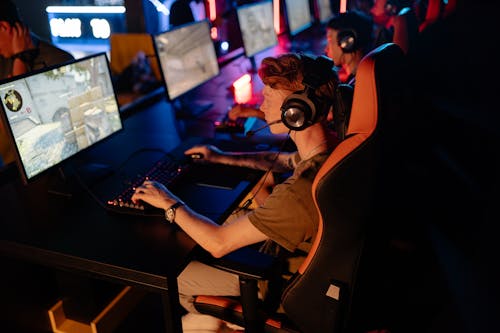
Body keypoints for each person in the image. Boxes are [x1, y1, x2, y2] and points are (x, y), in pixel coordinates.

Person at [132, 53, 340, 332]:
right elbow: (279, 161)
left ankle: (226, 320)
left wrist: (168, 201)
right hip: (288, 257)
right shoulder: (331, 151)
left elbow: (219, 243)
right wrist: (219, 157)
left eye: (269, 96)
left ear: (296, 111)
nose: (261, 104)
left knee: (171, 272)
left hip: (275, 278)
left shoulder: (303, 189)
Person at [0, 0, 74, 166]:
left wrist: (20, 59)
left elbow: (17, 127)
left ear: (3, 28)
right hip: (13, 170)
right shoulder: (3, 60)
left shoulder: (59, 61)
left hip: (48, 167)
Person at [325, 10, 374, 85]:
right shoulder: (368, 72)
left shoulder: (356, 87)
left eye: (330, 40)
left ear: (347, 42)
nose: (326, 49)